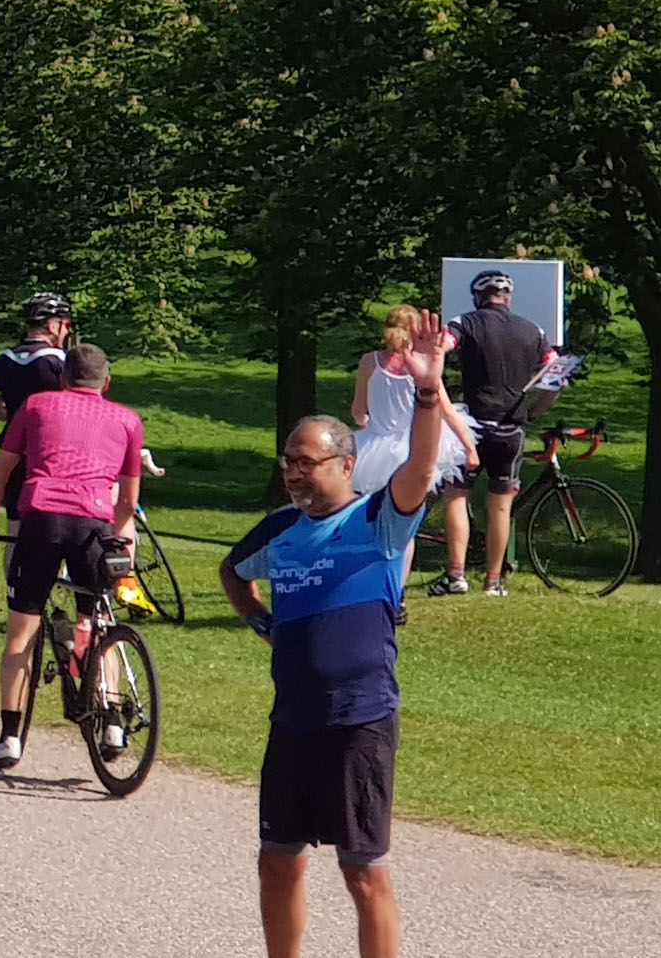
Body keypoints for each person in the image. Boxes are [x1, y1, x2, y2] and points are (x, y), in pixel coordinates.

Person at [221, 320, 451, 958]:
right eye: (288, 462)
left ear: (346, 464)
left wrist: (429, 394)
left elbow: (423, 464)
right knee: (277, 862)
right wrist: (262, 621)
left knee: (363, 872)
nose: (294, 473)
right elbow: (232, 573)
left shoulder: (378, 519)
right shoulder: (280, 528)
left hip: (360, 721)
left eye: (307, 462)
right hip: (293, 719)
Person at [0, 340, 144, 773]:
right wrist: (122, 543)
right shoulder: (127, 420)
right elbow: (127, 499)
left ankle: (10, 737)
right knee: (96, 620)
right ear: (107, 382)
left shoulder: (36, 406)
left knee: (21, 631)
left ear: (64, 377)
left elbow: (0, 474)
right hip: (94, 524)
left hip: (43, 519)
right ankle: (112, 724)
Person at [443, 270, 550, 596]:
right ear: (508, 297)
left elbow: (442, 347)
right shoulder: (535, 330)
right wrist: (536, 410)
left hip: (471, 426)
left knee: (456, 495)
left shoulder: (465, 321)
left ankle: (457, 575)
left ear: (478, 297)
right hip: (511, 428)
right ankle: (493, 582)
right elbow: (557, 375)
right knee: (501, 507)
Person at [350, 304, 472, 508]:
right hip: (416, 445)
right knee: (409, 509)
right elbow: (447, 411)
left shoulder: (369, 362)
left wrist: (372, 428)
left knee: (372, 507)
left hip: (375, 447)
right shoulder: (422, 365)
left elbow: (358, 412)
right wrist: (469, 448)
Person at [0, 292, 73, 434]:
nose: (68, 332)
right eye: (67, 325)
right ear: (53, 327)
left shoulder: (4, 360)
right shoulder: (60, 361)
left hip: (13, 447)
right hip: (50, 443)